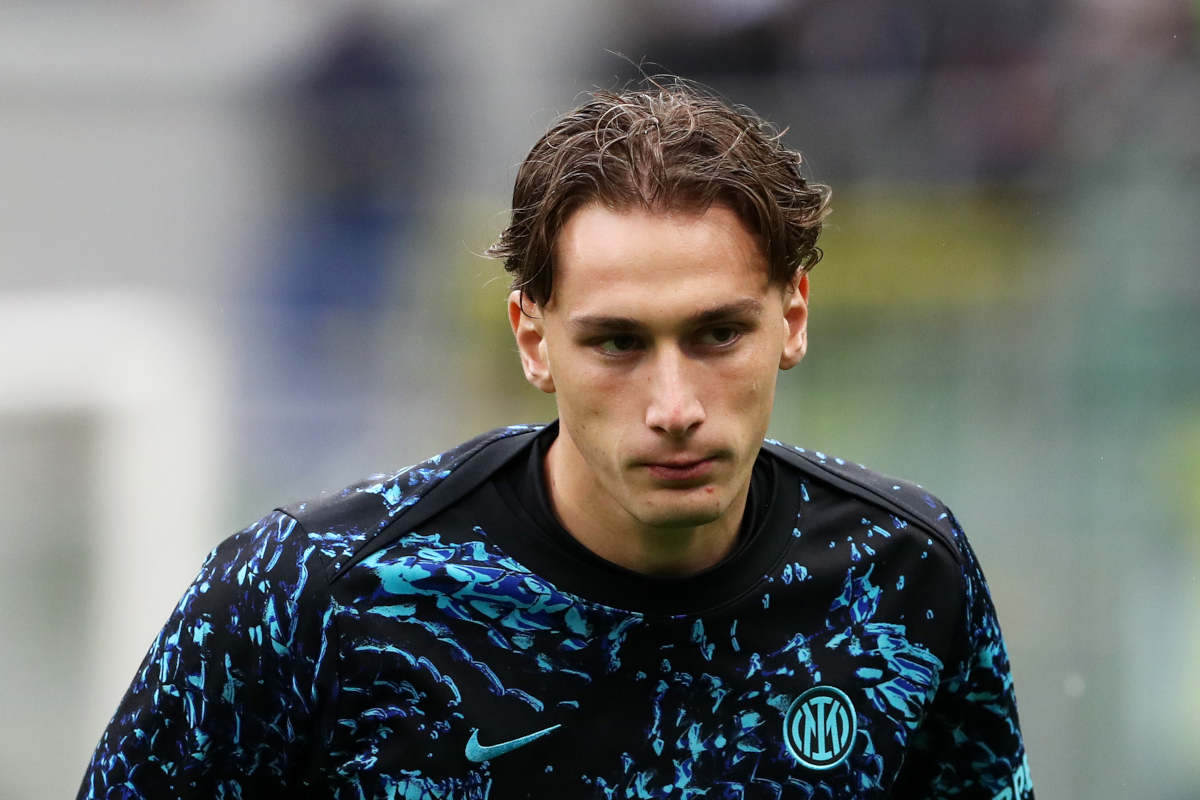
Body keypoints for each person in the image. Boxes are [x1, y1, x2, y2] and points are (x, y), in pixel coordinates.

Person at [77, 81, 1033, 799]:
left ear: (793, 317)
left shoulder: (906, 577)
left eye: (717, 334)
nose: (673, 403)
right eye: (617, 342)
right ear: (535, 338)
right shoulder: (308, 593)